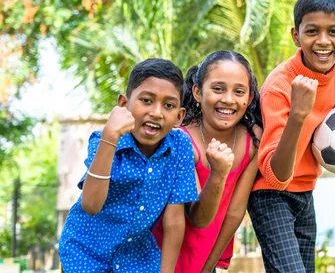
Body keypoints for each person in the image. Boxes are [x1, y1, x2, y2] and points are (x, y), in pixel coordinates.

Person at [247, 0, 335, 273]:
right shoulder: (279, 86)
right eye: (312, 31)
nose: (323, 41)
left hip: (306, 192)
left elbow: (328, 143)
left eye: (333, 31)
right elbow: (275, 175)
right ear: (296, 35)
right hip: (270, 195)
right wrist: (298, 114)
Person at [58, 58, 198, 273]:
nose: (157, 112)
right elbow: (91, 205)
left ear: (179, 117)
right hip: (85, 254)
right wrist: (110, 136)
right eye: (146, 100)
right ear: (124, 104)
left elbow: (174, 220)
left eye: (168, 105)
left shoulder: (180, 146)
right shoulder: (103, 140)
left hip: (137, 260)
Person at [153, 51, 262, 273]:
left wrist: (209, 265)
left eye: (238, 91)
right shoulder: (181, 139)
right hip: (162, 254)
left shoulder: (252, 142)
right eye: (218, 89)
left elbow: (234, 212)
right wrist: (218, 173)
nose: (228, 99)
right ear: (197, 92)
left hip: (206, 255)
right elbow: (196, 216)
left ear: (249, 98)